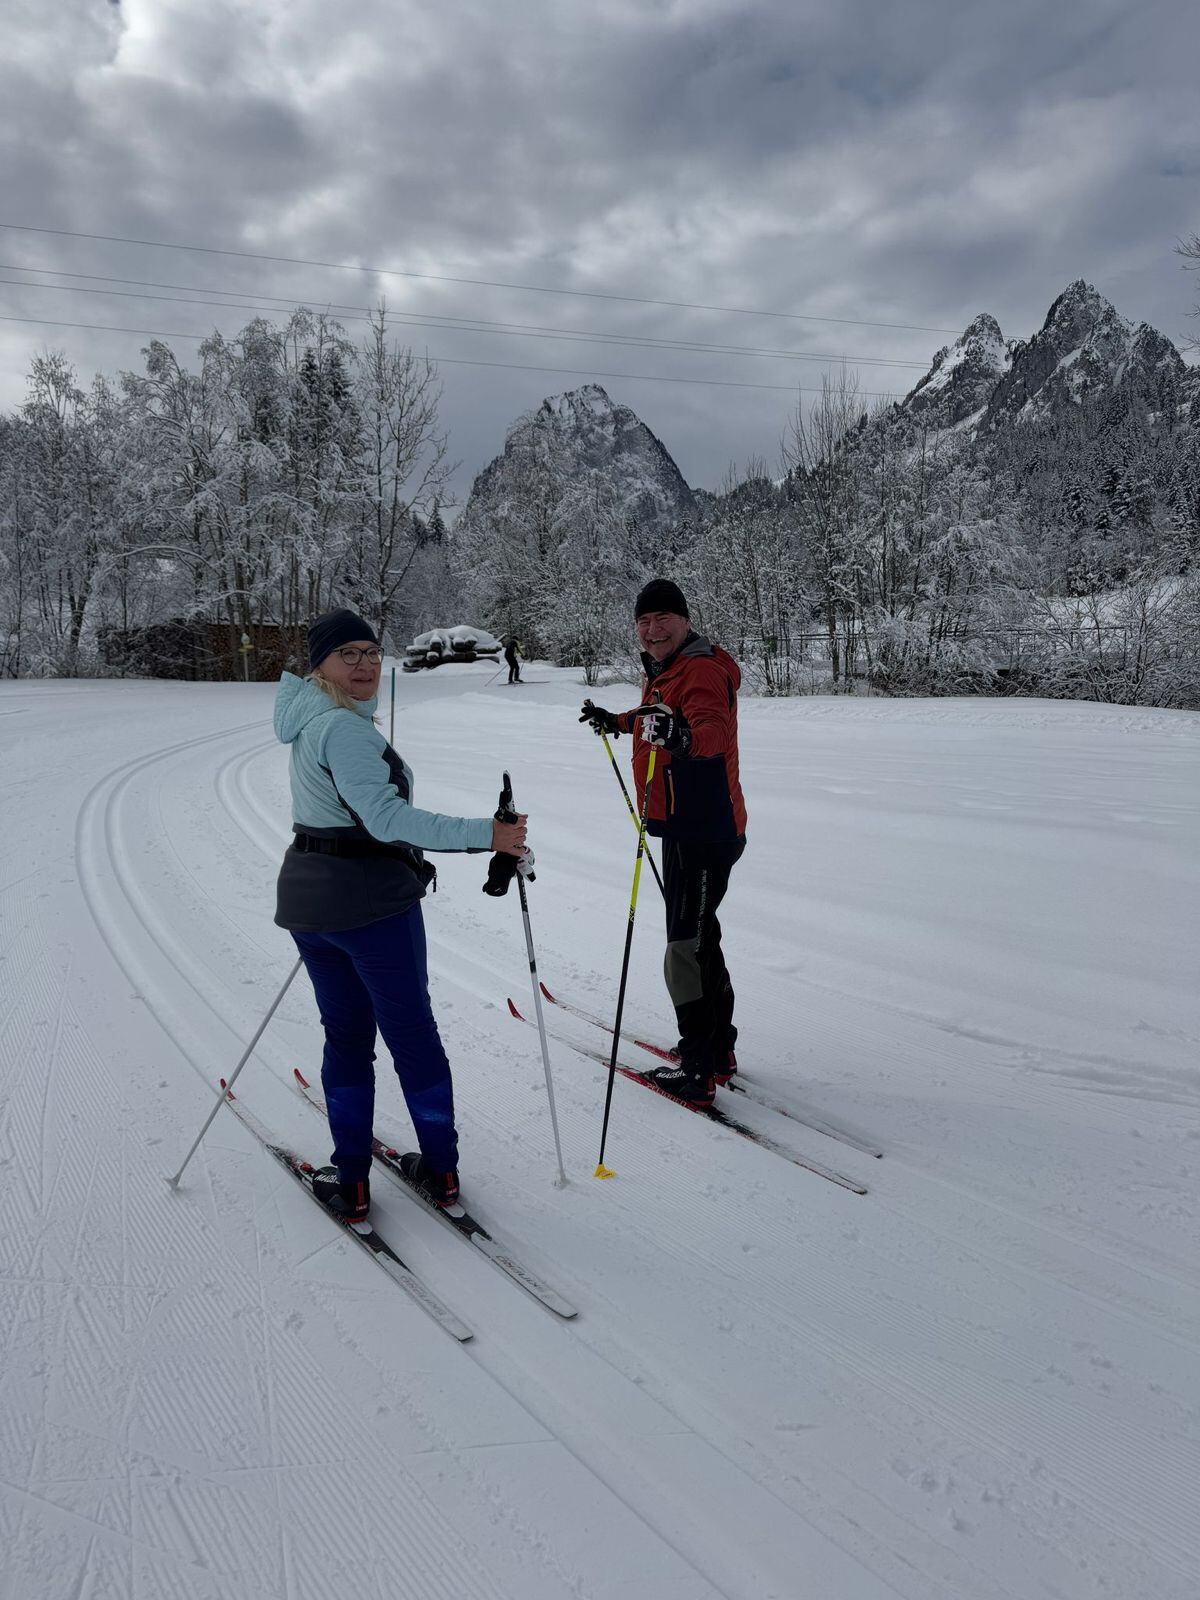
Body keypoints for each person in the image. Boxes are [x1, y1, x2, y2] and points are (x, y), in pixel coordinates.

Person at [274, 608, 527, 1221]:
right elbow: (385, 820)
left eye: (369, 651)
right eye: (347, 654)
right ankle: (440, 1170)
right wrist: (486, 834)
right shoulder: (345, 730)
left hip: (312, 903)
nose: (363, 664)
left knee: (348, 1037)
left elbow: (348, 816)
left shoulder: (310, 722)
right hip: (370, 907)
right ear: (320, 665)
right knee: (410, 1035)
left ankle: (352, 1181)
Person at [580, 579, 746, 1108]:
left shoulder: (698, 669)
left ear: (685, 619)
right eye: (644, 621)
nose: (652, 630)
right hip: (687, 825)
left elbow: (709, 729)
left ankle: (697, 1070)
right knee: (703, 935)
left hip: (702, 829)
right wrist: (619, 722)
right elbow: (659, 719)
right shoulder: (667, 671)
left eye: (663, 619)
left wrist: (684, 740)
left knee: (682, 947)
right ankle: (718, 1048)